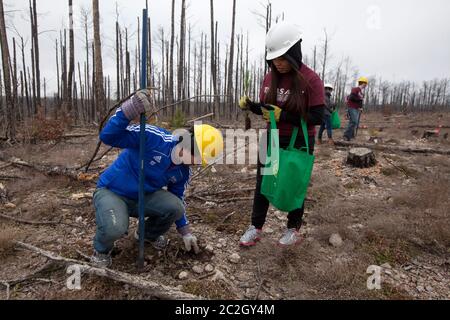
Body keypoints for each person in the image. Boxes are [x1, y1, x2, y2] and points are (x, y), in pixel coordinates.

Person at [91, 90, 224, 267]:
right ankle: (101, 250)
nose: (197, 163)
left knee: (175, 206)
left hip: (142, 197)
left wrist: (185, 231)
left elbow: (178, 200)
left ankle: (145, 235)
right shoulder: (153, 138)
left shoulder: (182, 172)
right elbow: (108, 136)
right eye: (198, 158)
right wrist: (128, 111)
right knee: (115, 228)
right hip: (112, 192)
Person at [238, 22, 325, 247]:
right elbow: (268, 111)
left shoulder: (311, 80)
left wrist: (284, 115)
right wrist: (251, 105)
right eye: (274, 59)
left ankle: (292, 229)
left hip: (298, 140)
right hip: (272, 138)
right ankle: (255, 227)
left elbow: (318, 116)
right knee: (263, 183)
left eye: (283, 58)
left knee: (294, 184)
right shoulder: (269, 78)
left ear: (294, 53)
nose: (279, 63)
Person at [344, 77, 368, 141]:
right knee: (354, 121)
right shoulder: (355, 89)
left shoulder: (361, 92)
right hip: (352, 107)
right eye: (366, 84)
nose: (366, 85)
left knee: (354, 122)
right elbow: (352, 97)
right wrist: (360, 99)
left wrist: (361, 107)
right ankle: (346, 135)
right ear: (363, 83)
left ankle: (351, 136)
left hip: (357, 108)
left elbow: (360, 101)